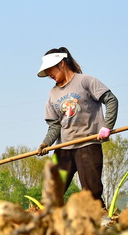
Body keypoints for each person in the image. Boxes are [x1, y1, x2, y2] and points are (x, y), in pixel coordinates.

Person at [34, 47, 118, 207]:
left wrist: (107, 126)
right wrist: (46, 143)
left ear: (62, 64)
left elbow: (111, 100)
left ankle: (100, 220)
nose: (49, 75)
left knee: (91, 192)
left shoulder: (86, 81)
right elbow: (54, 125)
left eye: (50, 69)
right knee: (52, 191)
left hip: (87, 145)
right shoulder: (53, 94)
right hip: (64, 148)